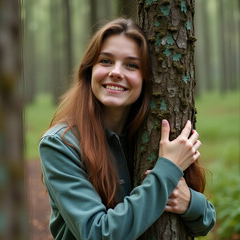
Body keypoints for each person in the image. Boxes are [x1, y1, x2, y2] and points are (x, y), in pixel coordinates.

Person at [39, 18, 215, 240]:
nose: (116, 72)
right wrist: (167, 170)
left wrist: (189, 201)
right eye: (105, 61)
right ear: (89, 70)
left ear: (145, 80)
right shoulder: (60, 144)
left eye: (131, 65)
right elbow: (97, 233)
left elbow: (206, 222)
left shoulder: (150, 136)